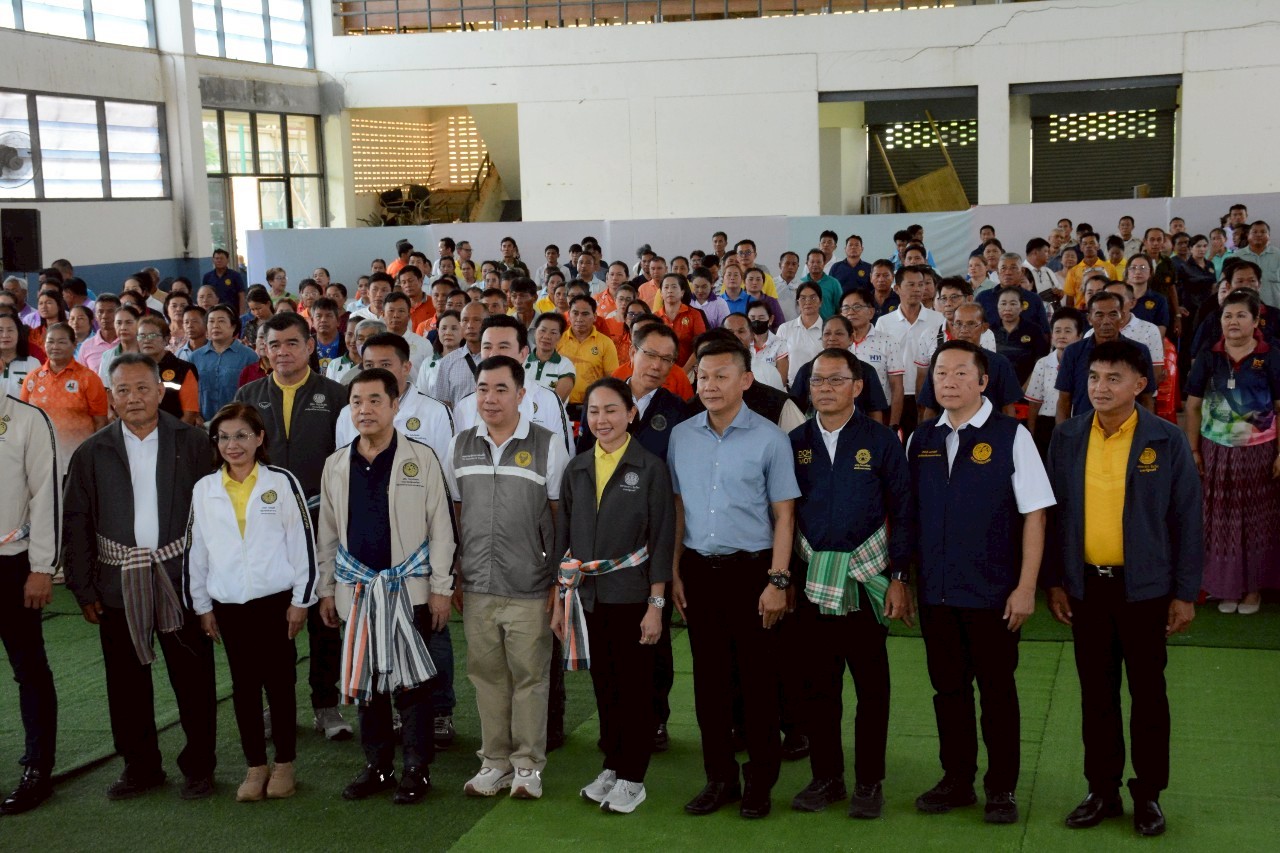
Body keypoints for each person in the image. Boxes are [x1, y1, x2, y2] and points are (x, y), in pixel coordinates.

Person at [1045, 339, 1203, 838]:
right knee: (1097, 694)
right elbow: (1053, 516)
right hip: (1087, 588)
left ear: (1139, 385)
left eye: (1114, 378)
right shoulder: (1067, 436)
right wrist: (1056, 580)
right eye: (1094, 377)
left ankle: (1149, 794)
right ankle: (1102, 790)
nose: (1101, 387)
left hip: (1146, 592)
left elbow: (1188, 519)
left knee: (1148, 695)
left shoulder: (1166, 439)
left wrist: (1185, 593)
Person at [906, 340, 1055, 825]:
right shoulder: (921, 438)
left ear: (984, 381)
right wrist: (904, 578)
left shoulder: (1012, 436)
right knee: (948, 691)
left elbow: (1035, 515)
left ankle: (1001, 788)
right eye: (940, 373)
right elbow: (909, 517)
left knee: (997, 692)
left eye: (960, 373)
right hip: (936, 592)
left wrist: (1026, 587)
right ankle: (957, 780)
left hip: (993, 593)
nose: (948, 381)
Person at [62, 354, 218, 800]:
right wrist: (83, 587)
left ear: (160, 392)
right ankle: (141, 766)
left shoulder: (193, 442)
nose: (133, 398)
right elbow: (76, 521)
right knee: (125, 681)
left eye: (142, 388)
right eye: (123, 390)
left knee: (193, 677)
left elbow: (215, 514)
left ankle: (199, 767)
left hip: (180, 578)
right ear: (110, 398)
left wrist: (211, 581)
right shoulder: (92, 451)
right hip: (117, 582)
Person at [668, 337, 801, 819]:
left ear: (746, 380)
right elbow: (679, 508)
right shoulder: (681, 436)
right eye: (703, 376)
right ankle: (719, 778)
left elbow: (785, 516)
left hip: (754, 572)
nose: (710, 385)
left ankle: (760, 782)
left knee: (758, 682)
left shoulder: (770, 438)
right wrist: (675, 570)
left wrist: (778, 581)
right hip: (699, 572)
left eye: (721, 376)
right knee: (709, 683)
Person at [315, 368, 457, 805]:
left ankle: (416, 769)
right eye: (357, 401)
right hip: (357, 591)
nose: (365, 409)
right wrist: (326, 589)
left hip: (409, 590)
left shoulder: (421, 457)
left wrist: (441, 588)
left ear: (395, 405)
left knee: (413, 684)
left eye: (375, 400)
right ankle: (377, 766)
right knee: (368, 682)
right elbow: (327, 533)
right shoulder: (336, 463)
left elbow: (442, 528)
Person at [786, 348, 913, 819]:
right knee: (818, 687)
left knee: (871, 688)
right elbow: (784, 515)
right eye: (817, 380)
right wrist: (786, 578)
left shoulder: (881, 441)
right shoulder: (795, 442)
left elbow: (903, 511)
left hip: (865, 580)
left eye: (836, 380)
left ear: (857, 387)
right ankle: (827, 778)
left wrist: (899, 577)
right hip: (812, 583)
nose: (825, 389)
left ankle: (868, 781)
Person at [444, 355, 569, 800]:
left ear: (521, 394)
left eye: (501, 389)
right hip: (477, 585)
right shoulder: (459, 445)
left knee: (530, 677)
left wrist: (554, 581)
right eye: (483, 389)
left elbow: (558, 516)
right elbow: (456, 514)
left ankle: (528, 765)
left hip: (531, 585)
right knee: (487, 677)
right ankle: (494, 762)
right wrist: (458, 573)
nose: (490, 398)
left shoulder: (548, 445)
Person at [551, 378, 675, 814]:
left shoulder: (650, 468)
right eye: (594, 411)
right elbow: (564, 537)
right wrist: (560, 601)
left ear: (630, 414)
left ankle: (633, 777)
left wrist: (656, 605)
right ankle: (613, 764)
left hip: (633, 596)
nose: (601, 420)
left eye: (611, 410)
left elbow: (661, 539)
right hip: (587, 599)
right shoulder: (578, 467)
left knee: (635, 688)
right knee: (605, 687)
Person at [183, 403, 315, 802]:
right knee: (243, 688)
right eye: (223, 437)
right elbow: (196, 551)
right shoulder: (205, 489)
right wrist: (202, 606)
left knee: (280, 683)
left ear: (259, 438)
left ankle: (285, 764)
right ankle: (255, 766)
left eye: (241, 435)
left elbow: (302, 543)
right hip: (229, 605)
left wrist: (301, 600)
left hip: (276, 603)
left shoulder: (282, 482)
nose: (232, 445)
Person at [235, 312, 352, 742]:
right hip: (267, 525)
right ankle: (277, 704)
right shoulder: (249, 394)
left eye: (291, 343)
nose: (282, 352)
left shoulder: (336, 395)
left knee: (325, 615)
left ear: (309, 347)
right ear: (263, 350)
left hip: (322, 520)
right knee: (272, 619)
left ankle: (326, 704)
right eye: (274, 344)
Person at [1184, 290, 1280, 614]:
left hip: (1260, 452)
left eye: (1241, 315)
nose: (1233, 321)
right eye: (1228, 315)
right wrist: (1194, 450)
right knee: (1219, 520)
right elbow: (1192, 406)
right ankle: (1225, 587)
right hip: (1216, 450)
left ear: (1256, 321)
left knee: (1256, 521)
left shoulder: (1271, 356)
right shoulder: (1209, 356)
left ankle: (1252, 590)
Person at [0, 390, 60, 814]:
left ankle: (39, 769)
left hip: (12, 565)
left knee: (29, 669)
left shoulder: (26, 418)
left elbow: (46, 494)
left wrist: (42, 566)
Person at [21, 323, 109, 474]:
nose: (55, 347)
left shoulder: (88, 378)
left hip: (78, 460)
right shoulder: (32, 378)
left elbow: (100, 422)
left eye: (61, 342)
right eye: (50, 341)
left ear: (74, 345)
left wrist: (95, 455)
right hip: (39, 460)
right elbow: (23, 419)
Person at [915, 304, 1023, 422]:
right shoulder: (941, 361)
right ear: (952, 326)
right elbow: (930, 409)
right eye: (958, 324)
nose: (964, 330)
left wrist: (1009, 432)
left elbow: (1008, 409)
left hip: (989, 430)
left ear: (984, 327)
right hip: (948, 429)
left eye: (971, 324)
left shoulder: (999, 363)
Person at [875, 266, 944, 437]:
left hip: (929, 395)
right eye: (911, 285)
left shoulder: (938, 319)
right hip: (894, 396)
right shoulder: (884, 322)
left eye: (921, 284)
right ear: (897, 288)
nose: (918, 289)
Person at [1025, 308, 1085, 456]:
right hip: (1046, 425)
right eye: (1057, 331)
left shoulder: (1085, 364)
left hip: (1077, 422)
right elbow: (1034, 403)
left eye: (1068, 331)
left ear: (1079, 336)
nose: (1062, 336)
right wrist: (1031, 434)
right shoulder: (1043, 363)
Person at [190, 305, 258, 421]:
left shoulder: (249, 356)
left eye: (221, 321)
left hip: (238, 421)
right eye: (211, 321)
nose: (215, 325)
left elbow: (255, 393)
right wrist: (195, 416)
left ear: (233, 326)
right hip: (202, 422)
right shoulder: (195, 357)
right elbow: (189, 391)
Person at [136, 315, 202, 427]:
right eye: (142, 336)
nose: (146, 340)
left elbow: (190, 414)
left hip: (175, 432)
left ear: (166, 339)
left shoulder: (183, 369)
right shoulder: (133, 369)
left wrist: (172, 434)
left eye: (152, 335)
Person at [992, 287, 1049, 384]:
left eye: (1013, 304)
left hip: (1028, 385)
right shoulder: (990, 331)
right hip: (996, 385)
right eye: (1003, 303)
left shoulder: (1034, 330)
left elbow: (1041, 361)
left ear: (1022, 307)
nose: (1007, 308)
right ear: (997, 306)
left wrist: (1027, 386)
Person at [524, 312, 576, 403]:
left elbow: (556, 402)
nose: (547, 336)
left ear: (560, 337)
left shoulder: (565, 365)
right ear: (535, 332)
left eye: (553, 333)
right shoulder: (521, 361)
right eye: (542, 330)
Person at [776, 281, 825, 376]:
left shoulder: (828, 330)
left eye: (813, 298)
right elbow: (779, 362)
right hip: (791, 384)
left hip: (819, 382)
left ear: (820, 302)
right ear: (797, 302)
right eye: (803, 298)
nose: (808, 302)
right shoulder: (785, 329)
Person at [1, 311, 42, 397]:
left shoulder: (32, 363)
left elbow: (39, 397)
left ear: (19, 333)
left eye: (10, 330)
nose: (5, 335)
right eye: (0, 330)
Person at [203, 248, 247, 314]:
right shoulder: (207, 277)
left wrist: (241, 314)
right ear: (213, 260)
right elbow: (204, 295)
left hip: (232, 312)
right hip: (213, 312)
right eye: (216, 258)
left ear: (227, 260)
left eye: (221, 258)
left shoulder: (235, 275)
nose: (219, 260)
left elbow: (241, 296)